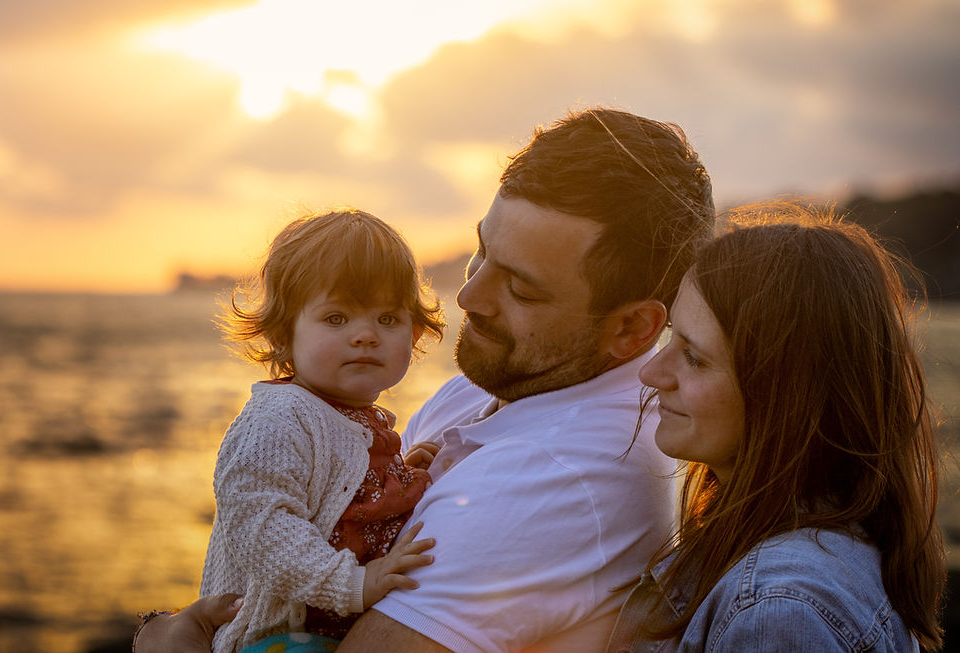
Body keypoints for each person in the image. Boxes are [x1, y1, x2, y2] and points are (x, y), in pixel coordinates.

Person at [134, 107, 716, 653]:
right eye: (480, 252)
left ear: (633, 326)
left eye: (520, 289)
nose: (469, 296)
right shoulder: (499, 385)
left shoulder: (559, 475)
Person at [605, 203, 945, 651]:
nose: (652, 375)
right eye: (672, 336)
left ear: (784, 393)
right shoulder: (802, 548)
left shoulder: (778, 612)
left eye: (694, 356)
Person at [198, 209, 445, 653]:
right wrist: (350, 584)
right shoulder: (279, 417)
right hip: (273, 641)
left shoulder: (354, 418)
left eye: (388, 319)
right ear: (283, 334)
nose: (366, 335)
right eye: (336, 319)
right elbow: (261, 524)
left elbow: (337, 499)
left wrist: (398, 477)